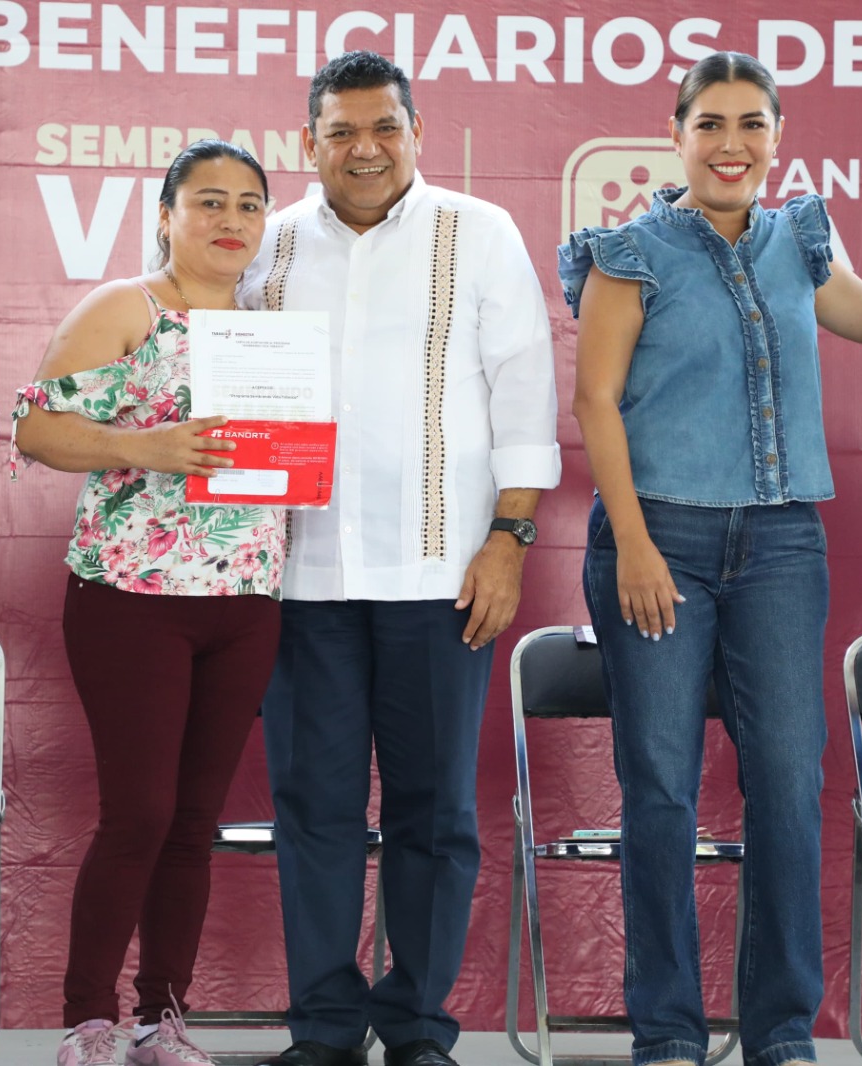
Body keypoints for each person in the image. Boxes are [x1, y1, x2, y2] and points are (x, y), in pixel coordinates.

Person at [561, 51, 862, 1066]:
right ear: (675, 135)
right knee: (662, 788)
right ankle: (666, 1033)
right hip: (657, 534)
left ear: (777, 137)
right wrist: (630, 543)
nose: (731, 143)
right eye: (710, 123)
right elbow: (595, 404)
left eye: (751, 124)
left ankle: (780, 1034)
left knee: (787, 781)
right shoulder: (628, 252)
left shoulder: (797, 240)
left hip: (779, 544)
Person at [240, 51, 561, 1066]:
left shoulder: (481, 232)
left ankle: (417, 1024)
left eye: (384, 128)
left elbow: (521, 394)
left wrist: (508, 542)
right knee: (314, 809)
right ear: (309, 144)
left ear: (417, 133)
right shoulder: (268, 246)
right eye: (341, 132)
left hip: (441, 578)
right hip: (303, 581)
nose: (364, 149)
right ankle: (326, 1028)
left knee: (435, 813)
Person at [12, 138, 284, 1066]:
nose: (231, 221)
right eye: (209, 202)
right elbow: (37, 427)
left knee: (195, 826)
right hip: (133, 594)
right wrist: (155, 448)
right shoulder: (126, 308)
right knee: (140, 814)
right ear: (165, 215)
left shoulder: (272, 328)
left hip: (245, 598)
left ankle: (160, 1020)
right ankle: (87, 1019)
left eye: (250, 205)